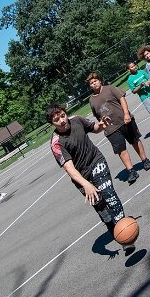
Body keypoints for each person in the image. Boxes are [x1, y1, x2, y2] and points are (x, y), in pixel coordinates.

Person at [47, 104, 135, 254]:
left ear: (65, 113)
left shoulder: (77, 120)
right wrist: (86, 184)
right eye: (56, 120)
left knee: (109, 195)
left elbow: (94, 128)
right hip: (81, 176)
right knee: (102, 209)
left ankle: (125, 235)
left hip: (96, 161)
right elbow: (70, 169)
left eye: (62, 115)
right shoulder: (57, 143)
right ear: (52, 123)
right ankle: (115, 231)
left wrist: (101, 125)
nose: (62, 120)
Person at [87, 72, 150, 184]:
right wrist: (103, 125)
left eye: (95, 81)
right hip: (111, 129)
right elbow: (97, 115)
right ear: (90, 86)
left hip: (124, 121)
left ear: (100, 81)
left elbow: (122, 99)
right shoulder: (91, 100)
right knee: (121, 149)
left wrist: (126, 114)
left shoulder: (110, 89)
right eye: (91, 83)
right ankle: (131, 171)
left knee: (135, 140)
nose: (94, 84)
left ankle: (145, 160)